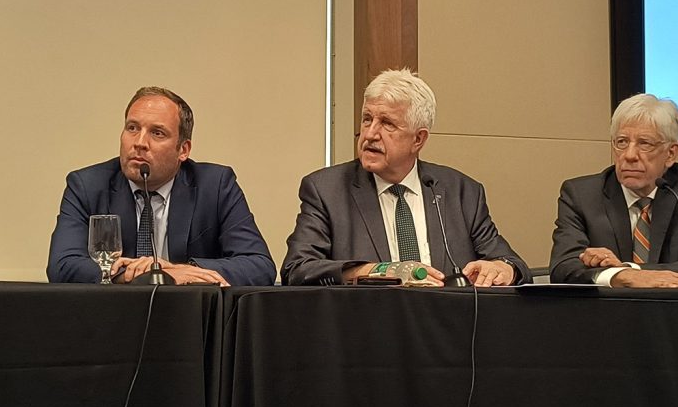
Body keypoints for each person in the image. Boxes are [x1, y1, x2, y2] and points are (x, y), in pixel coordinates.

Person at [282, 68, 530, 287]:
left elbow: (513, 264)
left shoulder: (461, 192)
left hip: (447, 323)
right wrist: (376, 271)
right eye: (367, 119)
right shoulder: (327, 190)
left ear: (418, 139)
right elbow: (298, 269)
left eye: (387, 123)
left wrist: (503, 269)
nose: (370, 134)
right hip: (367, 322)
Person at [47, 86, 275, 286]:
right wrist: (137, 275)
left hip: (191, 316)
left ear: (183, 150)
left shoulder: (215, 186)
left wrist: (182, 271)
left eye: (157, 133)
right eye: (132, 128)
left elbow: (259, 265)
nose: (139, 143)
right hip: (113, 317)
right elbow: (63, 264)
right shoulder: (87, 186)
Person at [549, 93, 678, 288]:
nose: (629, 155)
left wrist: (629, 271)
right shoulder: (581, 195)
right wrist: (621, 276)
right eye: (621, 142)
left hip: (673, 306)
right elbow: (563, 267)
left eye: (645, 143)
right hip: (608, 307)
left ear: (670, 154)